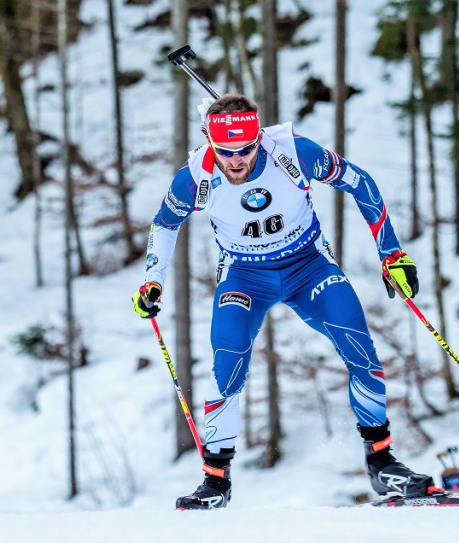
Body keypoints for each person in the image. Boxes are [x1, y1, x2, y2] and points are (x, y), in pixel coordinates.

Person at [132, 94, 432, 510]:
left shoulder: (295, 153)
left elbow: (359, 181)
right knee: (228, 358)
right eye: (225, 152)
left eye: (245, 150)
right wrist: (152, 281)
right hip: (244, 277)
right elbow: (164, 224)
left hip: (308, 267)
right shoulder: (194, 177)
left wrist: (392, 253)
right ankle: (216, 479)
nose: (236, 161)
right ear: (207, 140)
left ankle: (381, 463)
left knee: (360, 349)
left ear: (259, 138)